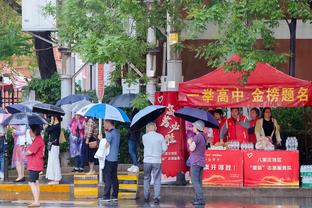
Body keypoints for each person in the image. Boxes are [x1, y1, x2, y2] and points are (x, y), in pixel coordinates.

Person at [142, 122, 167, 205]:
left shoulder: (144, 137)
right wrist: (159, 153)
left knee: (146, 178)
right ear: (154, 127)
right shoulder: (160, 137)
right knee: (157, 179)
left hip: (147, 161)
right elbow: (164, 148)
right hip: (157, 161)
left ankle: (146, 196)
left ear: (148, 128)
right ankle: (156, 198)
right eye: (156, 126)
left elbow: (145, 145)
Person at [188, 120, 206, 206]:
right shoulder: (203, 137)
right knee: (198, 181)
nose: (193, 128)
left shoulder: (197, 137)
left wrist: (189, 142)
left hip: (195, 162)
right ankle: (197, 198)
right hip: (201, 162)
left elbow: (192, 148)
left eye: (194, 126)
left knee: (195, 181)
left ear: (197, 128)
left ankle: (200, 199)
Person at [102, 120, 121, 202]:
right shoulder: (117, 132)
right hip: (115, 158)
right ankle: (115, 195)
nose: (103, 125)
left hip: (109, 158)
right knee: (114, 177)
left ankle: (106, 196)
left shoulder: (109, 133)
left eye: (104, 123)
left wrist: (101, 139)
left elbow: (106, 146)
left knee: (107, 178)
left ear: (108, 123)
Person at [26, 124, 45, 207]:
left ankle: (36, 201)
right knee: (36, 182)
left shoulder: (38, 140)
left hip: (35, 164)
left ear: (34, 131)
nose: (29, 132)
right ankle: (36, 200)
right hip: (36, 164)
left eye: (30, 130)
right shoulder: (38, 139)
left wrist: (25, 150)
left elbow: (30, 152)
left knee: (31, 182)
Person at [45, 115, 62, 184]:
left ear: (55, 117)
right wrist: (51, 123)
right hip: (52, 146)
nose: (51, 118)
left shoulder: (57, 126)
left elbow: (48, 130)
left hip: (54, 146)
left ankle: (56, 178)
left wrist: (51, 123)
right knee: (52, 161)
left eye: (52, 117)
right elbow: (48, 131)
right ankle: (54, 178)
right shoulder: (55, 126)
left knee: (55, 162)